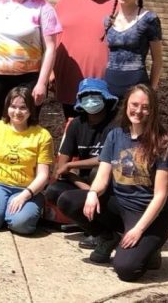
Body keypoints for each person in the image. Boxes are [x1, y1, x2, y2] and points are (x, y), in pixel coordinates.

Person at [58, 85, 168, 280]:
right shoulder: (116, 136)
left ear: (153, 110)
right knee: (68, 200)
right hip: (118, 204)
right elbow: (102, 177)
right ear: (126, 105)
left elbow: (160, 195)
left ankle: (151, 249)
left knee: (126, 270)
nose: (138, 111)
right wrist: (92, 194)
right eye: (134, 104)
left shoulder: (164, 143)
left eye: (145, 107)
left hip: (149, 214)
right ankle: (108, 236)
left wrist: (138, 230)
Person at [0, 86, 54, 234]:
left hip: (26, 188)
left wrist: (25, 195)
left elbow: (43, 175)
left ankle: (20, 210)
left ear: (31, 110)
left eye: (23, 108)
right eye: (13, 106)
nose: (17, 112)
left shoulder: (43, 135)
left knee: (21, 225)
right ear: (7, 107)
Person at [45, 78, 117, 246]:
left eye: (95, 95)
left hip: (107, 184)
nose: (91, 100)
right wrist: (74, 177)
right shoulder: (76, 124)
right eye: (86, 95)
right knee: (53, 191)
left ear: (105, 98)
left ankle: (104, 231)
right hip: (82, 183)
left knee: (95, 172)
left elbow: (106, 161)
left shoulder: (114, 126)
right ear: (80, 100)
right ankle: (89, 224)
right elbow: (60, 167)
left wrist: (72, 166)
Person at [53, 0, 115, 118]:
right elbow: (54, 37)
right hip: (69, 82)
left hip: (107, 85)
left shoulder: (119, 3)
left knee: (103, 132)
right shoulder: (66, 0)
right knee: (72, 127)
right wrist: (50, 72)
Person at [103, 0, 162, 100]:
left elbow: (157, 61)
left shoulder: (149, 19)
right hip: (110, 85)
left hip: (137, 87)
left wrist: (151, 91)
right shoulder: (108, 20)